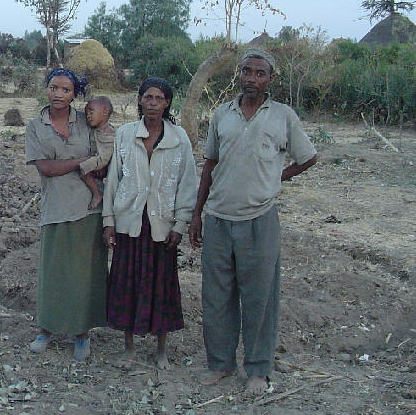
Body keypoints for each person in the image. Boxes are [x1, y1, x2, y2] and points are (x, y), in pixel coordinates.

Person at [188, 48, 317, 395]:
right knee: (216, 297)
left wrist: (277, 178)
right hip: (219, 218)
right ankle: (220, 364)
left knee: (260, 297)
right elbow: (210, 164)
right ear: (239, 74)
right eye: (247, 71)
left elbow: (308, 157)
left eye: (260, 73)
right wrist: (197, 213)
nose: (252, 79)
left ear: (270, 79)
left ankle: (258, 369)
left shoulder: (283, 116)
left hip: (260, 219)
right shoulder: (222, 114)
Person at [102, 77, 197, 369]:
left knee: (161, 286)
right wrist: (108, 220)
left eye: (159, 98)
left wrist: (180, 224)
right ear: (140, 101)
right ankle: (129, 349)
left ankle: (161, 351)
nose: (153, 103)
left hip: (162, 226)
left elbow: (187, 183)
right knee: (127, 285)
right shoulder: (125, 134)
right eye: (148, 97)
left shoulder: (179, 138)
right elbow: (113, 179)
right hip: (129, 222)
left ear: (167, 103)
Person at [25, 68, 108, 361]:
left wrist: (90, 165)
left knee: (84, 273)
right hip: (56, 207)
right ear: (46, 89)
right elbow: (45, 168)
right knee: (53, 272)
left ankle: (82, 334)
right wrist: (81, 162)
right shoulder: (35, 126)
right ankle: (46, 330)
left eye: (66, 90)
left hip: (88, 207)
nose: (58, 94)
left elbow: (103, 160)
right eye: (54, 88)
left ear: (75, 94)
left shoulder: (86, 121)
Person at [80, 96, 116, 210]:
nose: (88, 116)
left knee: (84, 171)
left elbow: (105, 157)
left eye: (91, 111)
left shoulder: (110, 135)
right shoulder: (95, 130)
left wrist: (88, 164)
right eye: (86, 113)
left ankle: (97, 194)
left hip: (100, 164)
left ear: (105, 112)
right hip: (95, 161)